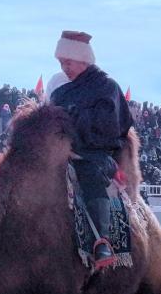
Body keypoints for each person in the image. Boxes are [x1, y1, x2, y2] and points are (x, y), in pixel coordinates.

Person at [49, 30, 132, 269]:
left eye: (68, 62)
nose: (64, 68)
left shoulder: (107, 88)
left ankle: (101, 241)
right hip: (61, 154)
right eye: (61, 63)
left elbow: (110, 126)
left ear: (83, 59)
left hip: (96, 155)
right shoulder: (61, 92)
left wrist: (73, 119)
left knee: (89, 173)